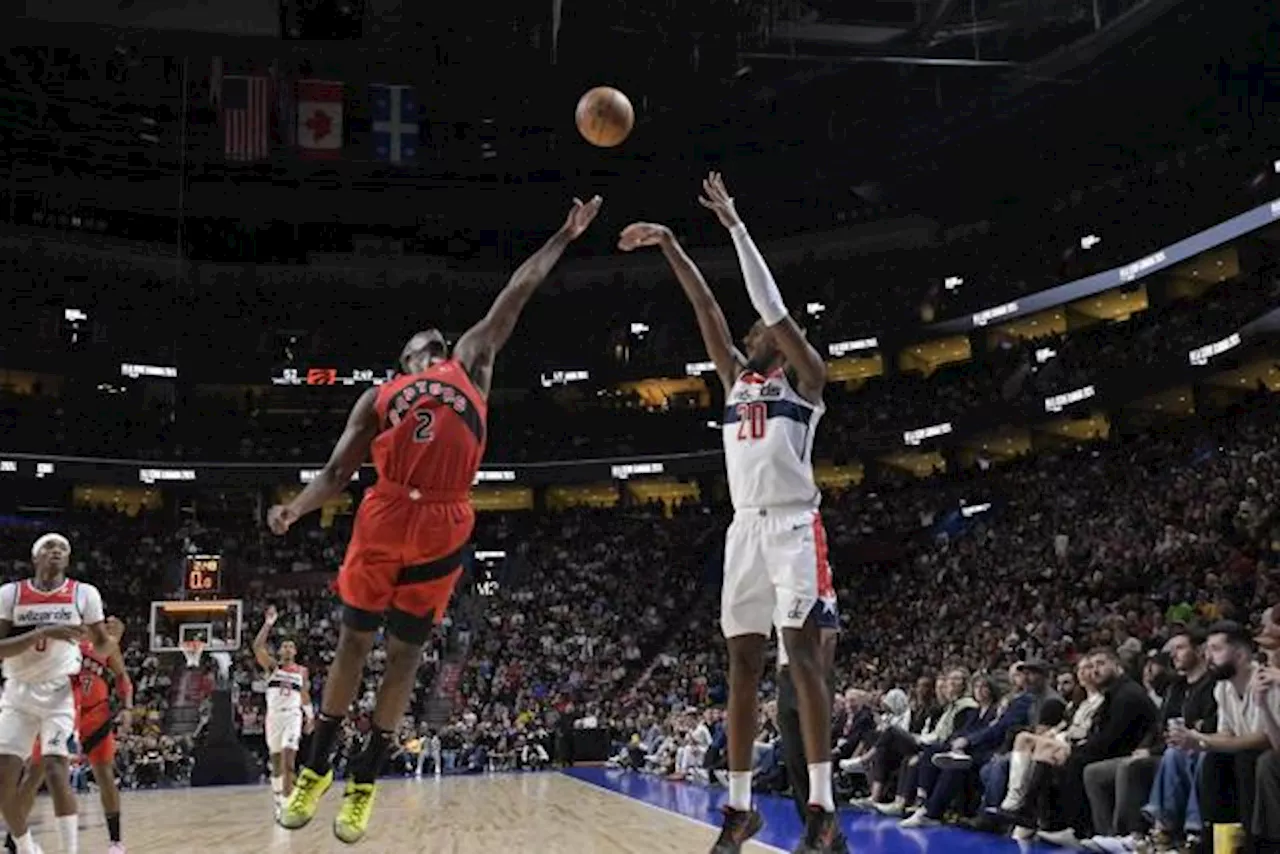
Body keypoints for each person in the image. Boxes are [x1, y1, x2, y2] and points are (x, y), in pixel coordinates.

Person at [269, 195, 602, 843]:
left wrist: (563, 234)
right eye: (426, 341)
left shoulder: (472, 361)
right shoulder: (379, 394)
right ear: (407, 358)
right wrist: (297, 507)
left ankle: (363, 783)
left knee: (402, 658)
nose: (436, 340)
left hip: (447, 515)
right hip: (386, 506)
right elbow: (337, 473)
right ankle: (315, 770)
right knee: (352, 645)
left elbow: (519, 289)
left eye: (438, 338)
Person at [620, 173, 842, 854]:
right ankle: (740, 809)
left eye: (772, 326)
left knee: (801, 659)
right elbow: (706, 307)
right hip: (744, 530)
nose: (759, 328)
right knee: (741, 663)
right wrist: (669, 244)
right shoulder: (735, 379)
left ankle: (822, 807)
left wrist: (737, 226)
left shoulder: (805, 379)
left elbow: (766, 303)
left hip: (794, 528)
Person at [0, 533, 114, 854]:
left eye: (63, 549)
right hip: (17, 692)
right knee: (3, 782)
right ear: (35, 557)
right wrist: (45, 632)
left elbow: (103, 645)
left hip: (60, 693)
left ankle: (70, 851)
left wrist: (111, 640)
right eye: (49, 547)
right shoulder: (11, 594)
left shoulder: (84, 594)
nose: (57, 552)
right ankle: (25, 847)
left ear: (68, 559)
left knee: (55, 768)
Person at [5, 615, 132, 854]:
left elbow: (121, 676)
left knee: (104, 773)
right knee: (34, 773)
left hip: (94, 715)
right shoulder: (54, 640)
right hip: (58, 713)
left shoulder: (103, 644)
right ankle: (14, 841)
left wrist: (126, 707)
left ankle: (116, 842)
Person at [254, 605, 313, 818]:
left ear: (295, 652)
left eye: (291, 646)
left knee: (289, 762)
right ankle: (279, 800)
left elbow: (304, 694)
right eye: (284, 646)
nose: (287, 648)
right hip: (274, 718)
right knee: (277, 764)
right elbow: (257, 646)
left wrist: (310, 716)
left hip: (292, 716)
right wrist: (268, 623)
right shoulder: (272, 668)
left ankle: (288, 805)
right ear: (280, 651)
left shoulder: (302, 671)